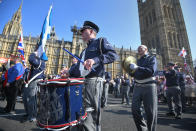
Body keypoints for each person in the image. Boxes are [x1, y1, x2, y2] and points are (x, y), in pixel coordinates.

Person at [61, 21, 118, 131]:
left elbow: (113, 55)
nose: (81, 33)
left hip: (94, 81)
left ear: (91, 31)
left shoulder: (101, 41)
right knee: (82, 112)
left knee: (91, 114)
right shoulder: (84, 51)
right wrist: (68, 73)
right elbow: (80, 69)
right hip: (83, 82)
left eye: (83, 31)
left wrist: (94, 60)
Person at [129, 45, 157, 131]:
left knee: (150, 112)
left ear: (146, 50)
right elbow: (133, 74)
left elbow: (151, 71)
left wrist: (138, 68)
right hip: (137, 86)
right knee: (135, 110)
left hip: (149, 86)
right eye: (138, 49)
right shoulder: (137, 61)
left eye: (141, 48)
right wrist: (130, 71)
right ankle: (143, 129)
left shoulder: (151, 58)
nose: (139, 50)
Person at [22, 51, 46, 122]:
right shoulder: (37, 63)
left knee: (31, 100)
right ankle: (28, 113)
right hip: (30, 82)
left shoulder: (41, 62)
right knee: (25, 98)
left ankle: (33, 116)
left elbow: (31, 59)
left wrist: (33, 53)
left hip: (34, 82)